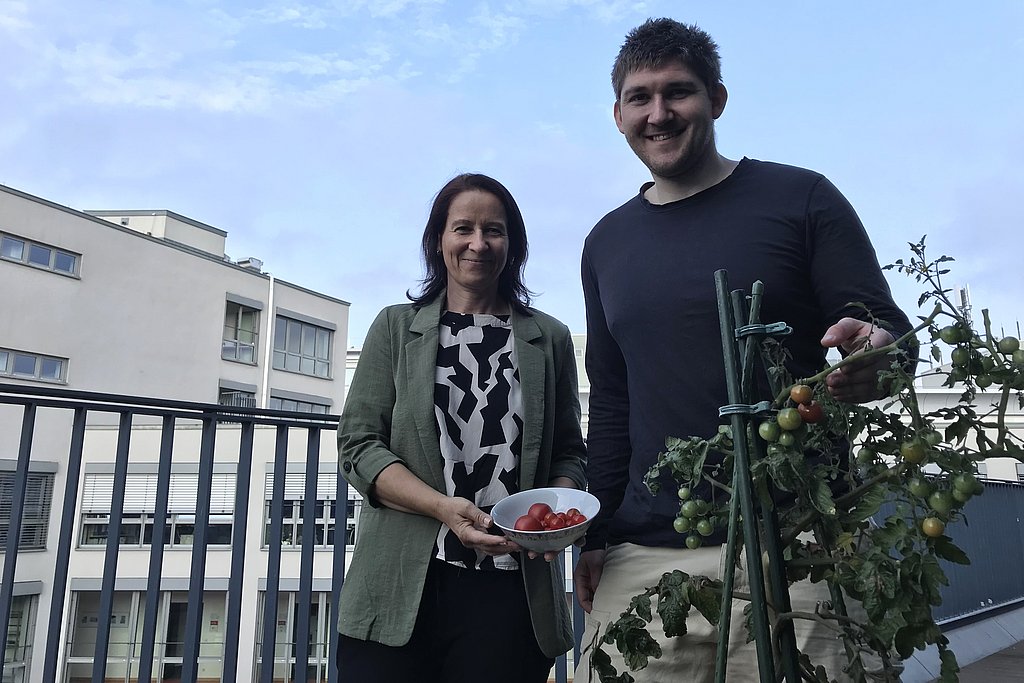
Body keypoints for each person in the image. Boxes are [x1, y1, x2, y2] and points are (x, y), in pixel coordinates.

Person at [573, 18, 915, 683]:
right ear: (617, 115)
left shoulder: (802, 199)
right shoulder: (606, 243)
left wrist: (874, 356)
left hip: (805, 544)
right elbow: (611, 400)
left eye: (679, 92)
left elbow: (888, 332)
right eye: (640, 97)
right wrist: (596, 534)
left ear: (717, 99)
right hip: (647, 555)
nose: (659, 112)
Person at [336, 173, 587, 683]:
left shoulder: (550, 339)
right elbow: (359, 447)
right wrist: (442, 509)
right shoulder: (394, 328)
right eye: (463, 228)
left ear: (512, 245)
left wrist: (552, 519)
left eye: (493, 230)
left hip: (511, 590)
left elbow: (568, 454)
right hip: (400, 585)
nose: (478, 243)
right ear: (437, 240)